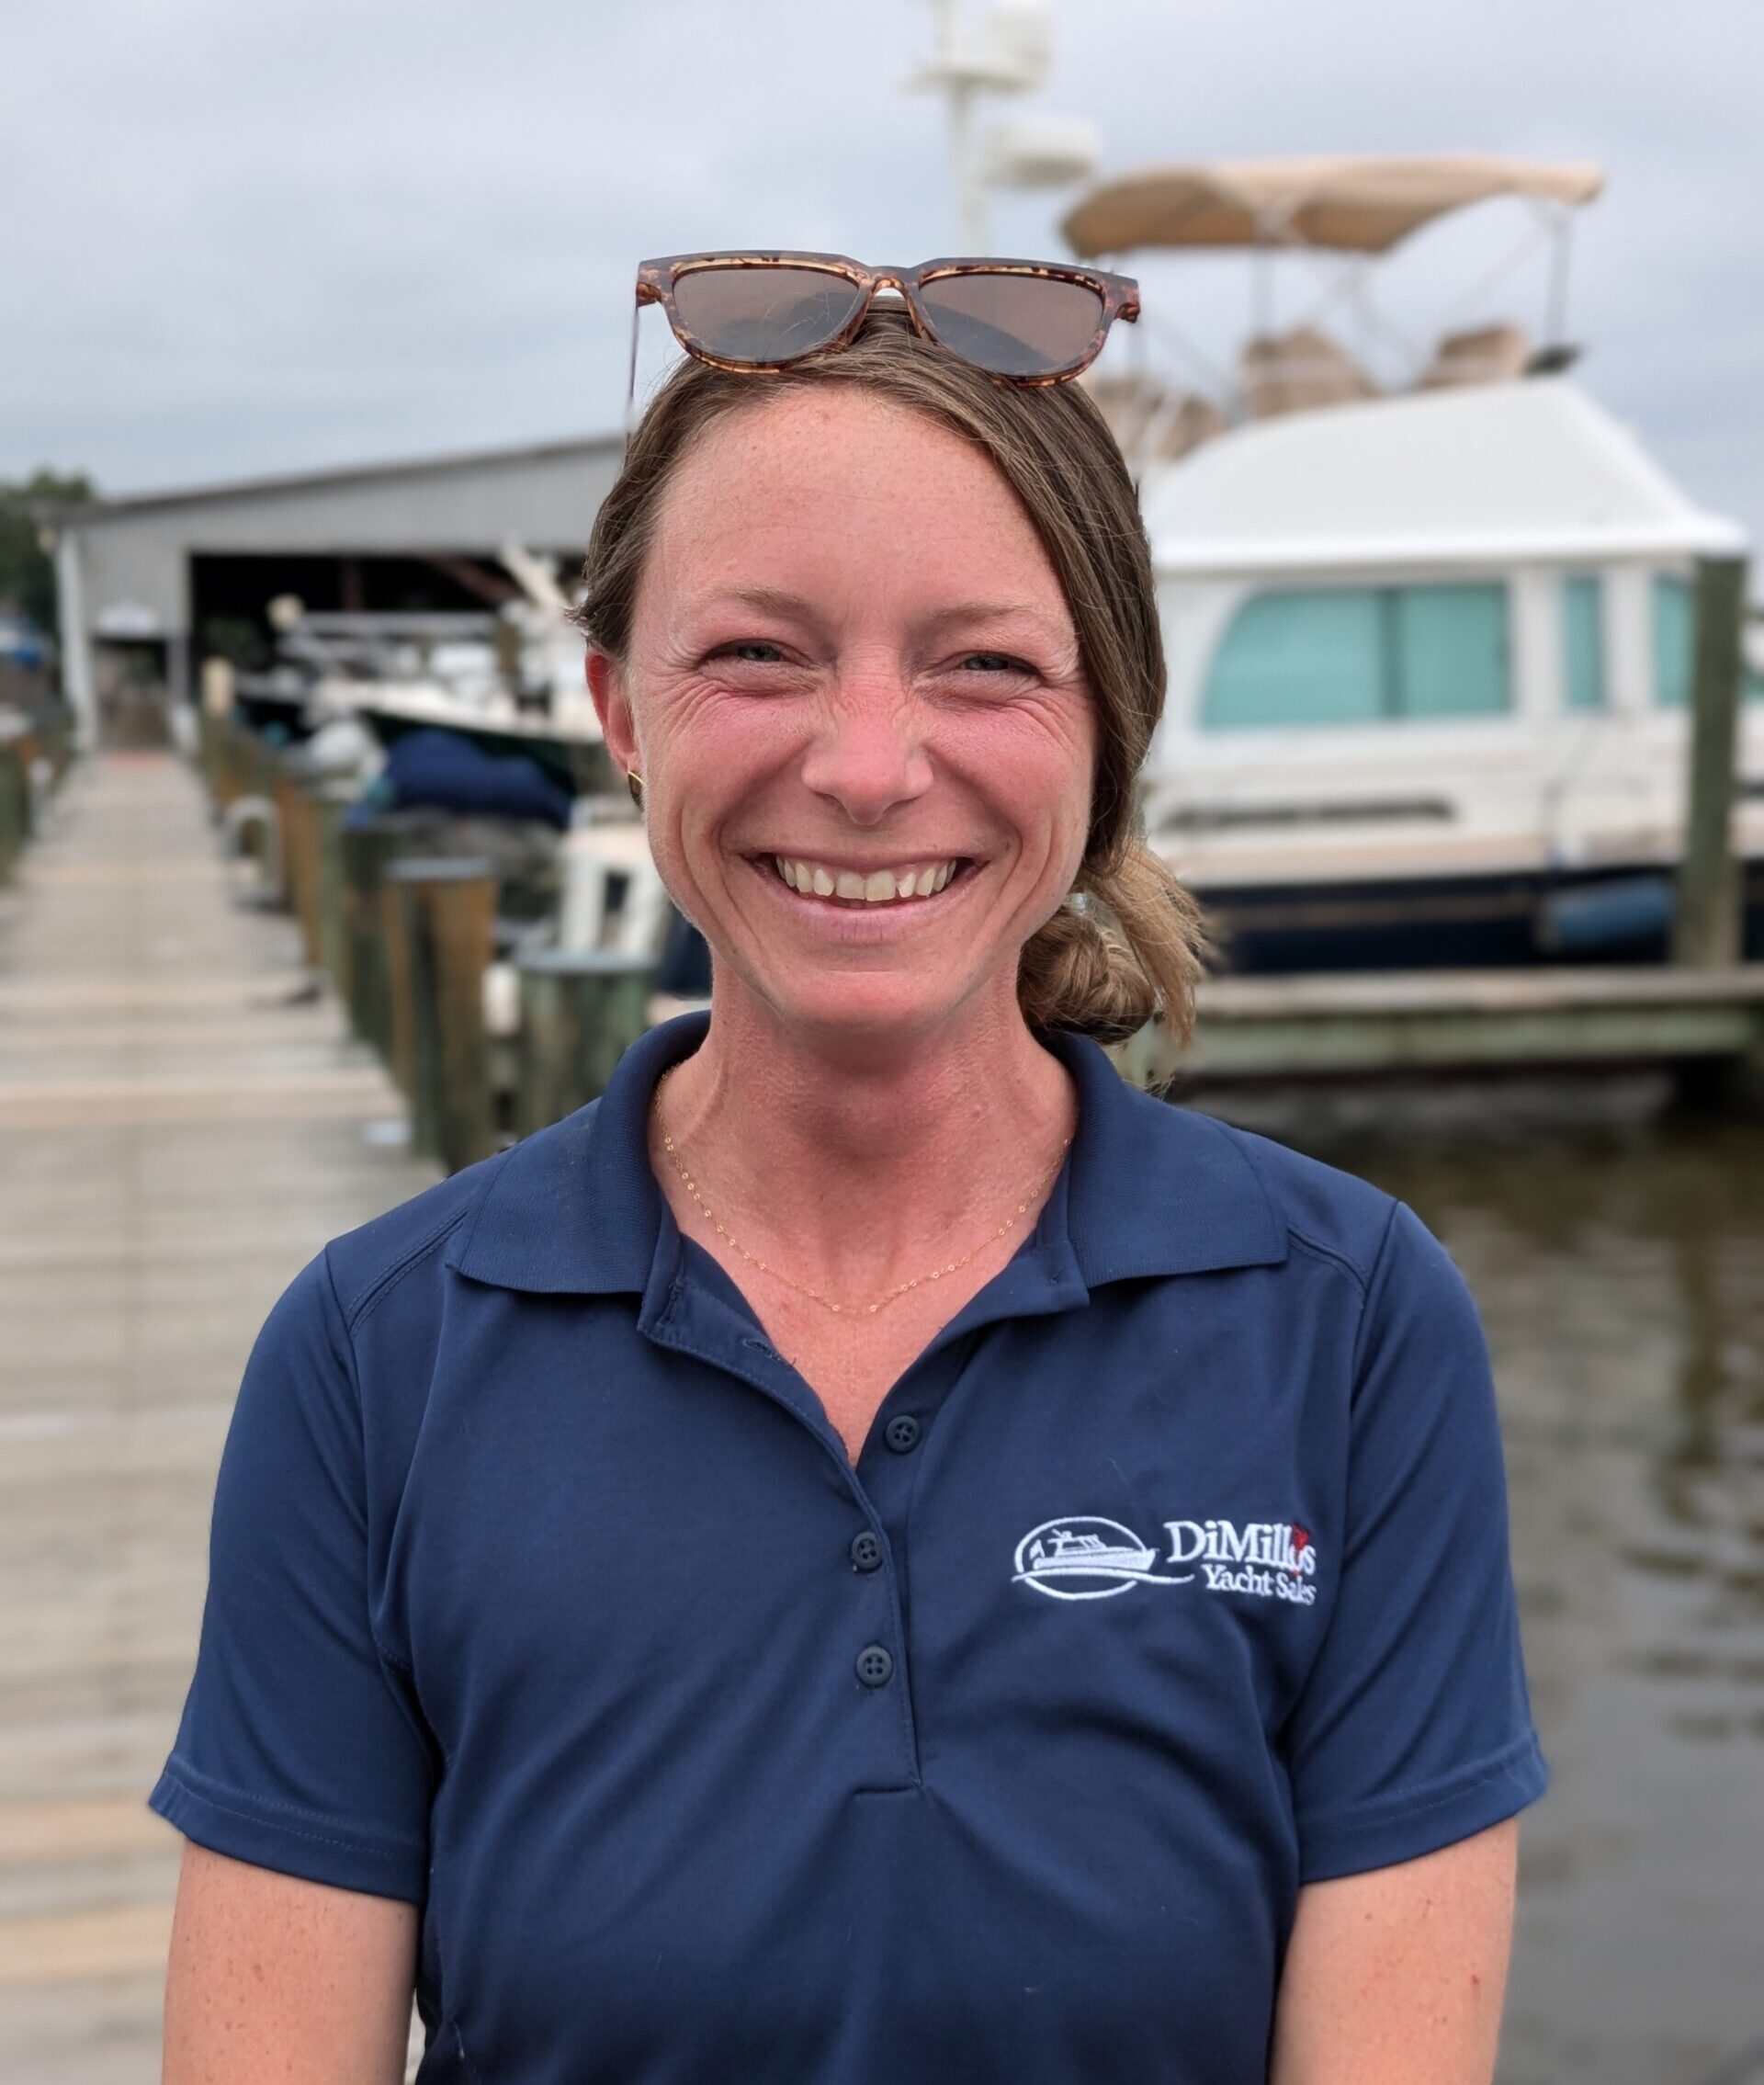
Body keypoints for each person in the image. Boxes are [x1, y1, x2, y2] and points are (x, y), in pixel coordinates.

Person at [151, 253, 1548, 2084]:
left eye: (986, 663)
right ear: (622, 711)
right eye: (758, 653)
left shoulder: (1347, 1327)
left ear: (1108, 729)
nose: (871, 766)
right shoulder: (374, 1357)